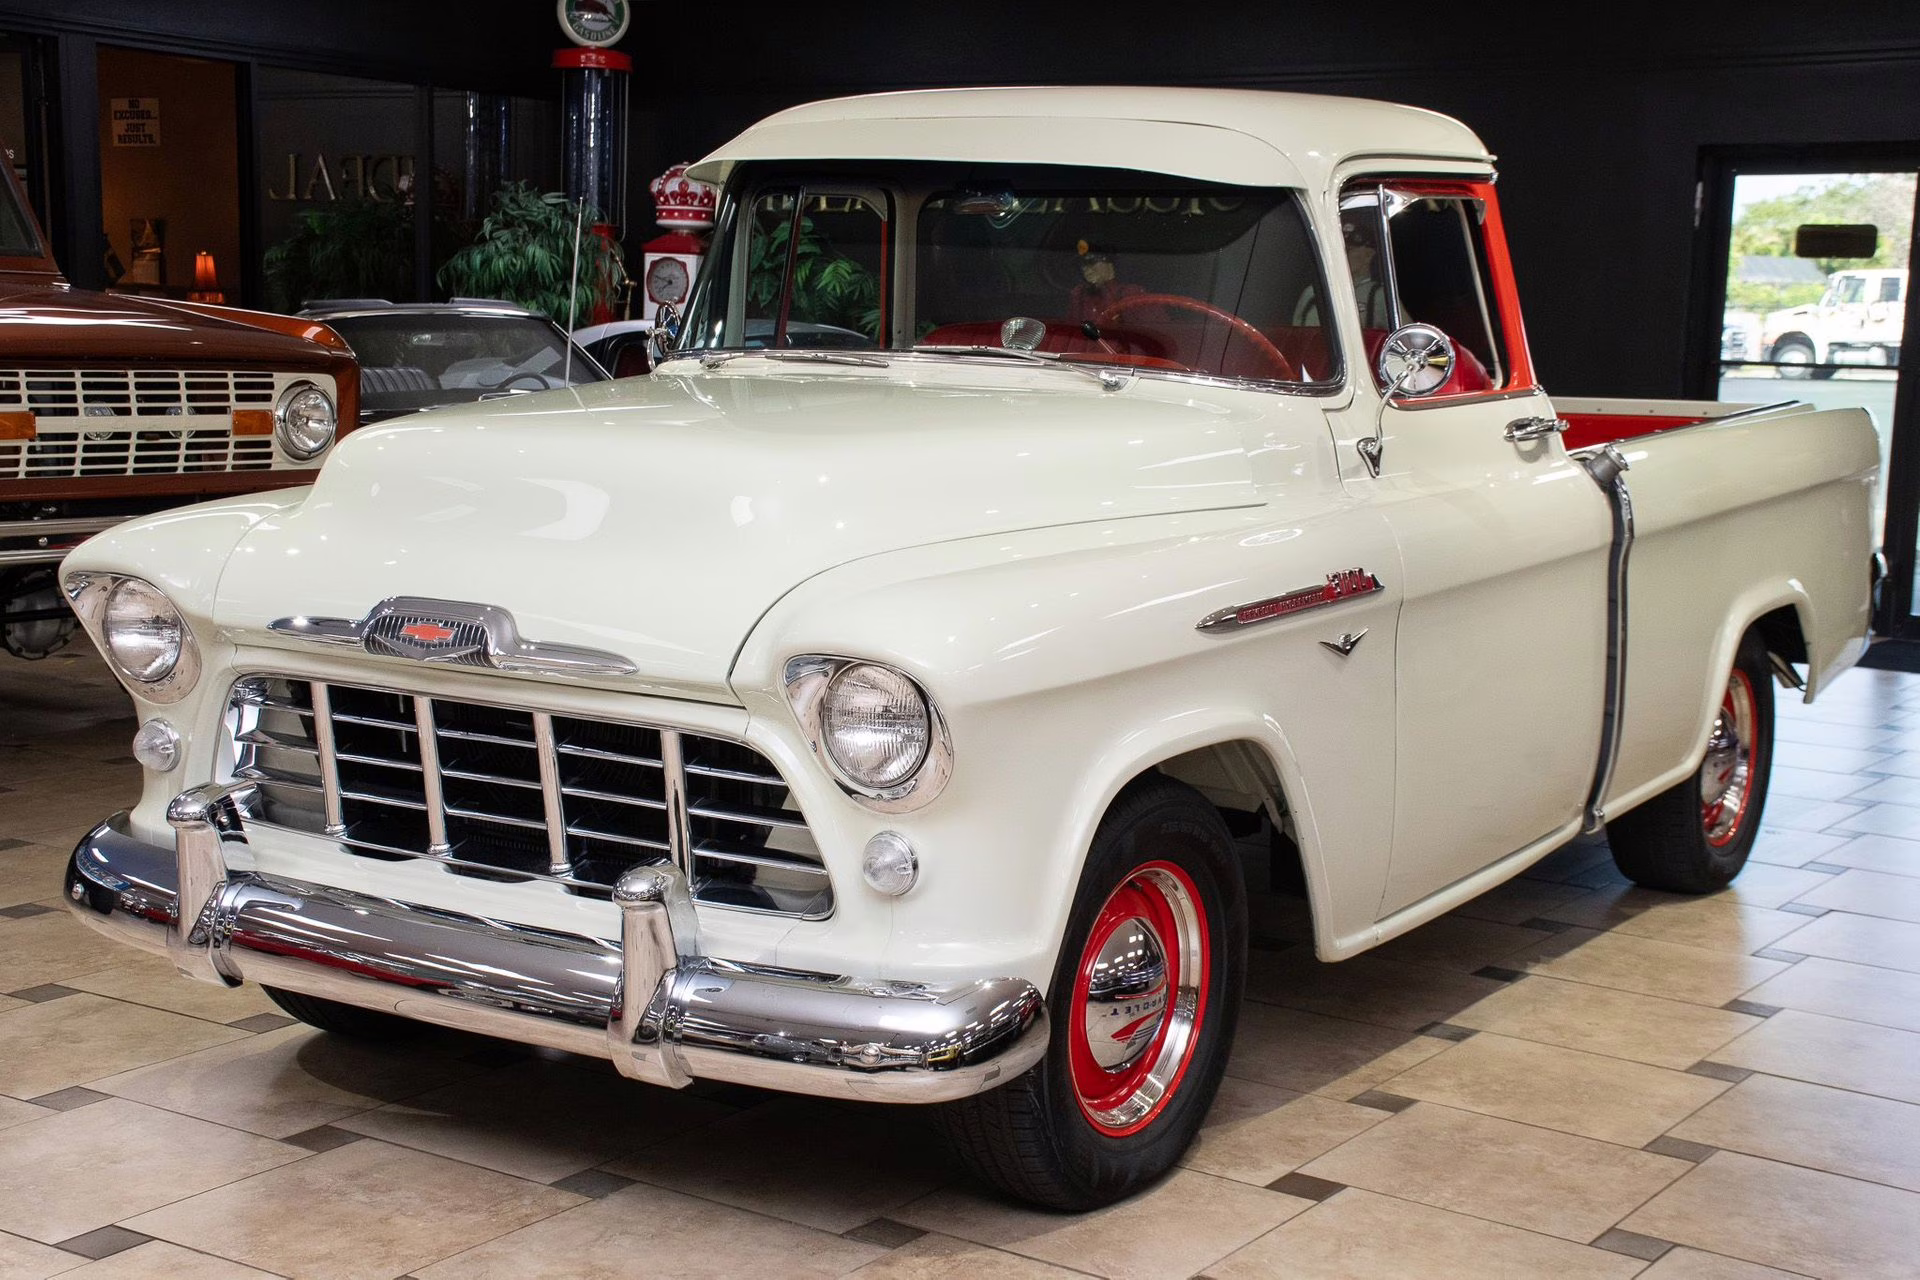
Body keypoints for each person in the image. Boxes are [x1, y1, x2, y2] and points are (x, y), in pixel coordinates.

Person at [1295, 215, 1392, 330]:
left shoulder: (1380, 296)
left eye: (1348, 250)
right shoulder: (1312, 293)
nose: (1341, 254)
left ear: (1369, 254)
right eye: (1338, 249)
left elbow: (1406, 341)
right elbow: (1296, 339)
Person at [1066, 239, 1145, 323]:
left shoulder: (1129, 292)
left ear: (1110, 263)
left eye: (1091, 261)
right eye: (1082, 264)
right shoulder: (1079, 293)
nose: (1086, 269)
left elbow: (1137, 330)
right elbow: (1071, 328)